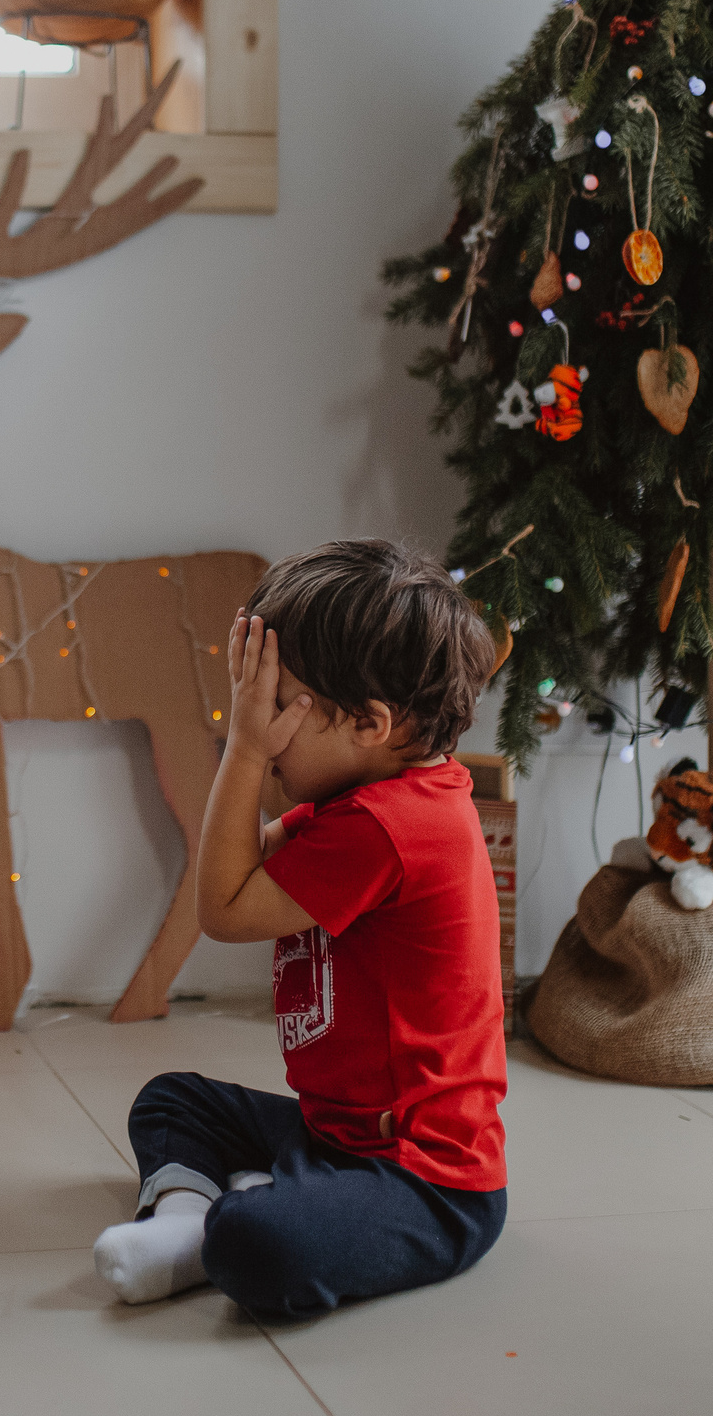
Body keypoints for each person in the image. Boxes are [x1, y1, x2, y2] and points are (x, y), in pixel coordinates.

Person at [90, 539, 508, 1316]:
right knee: (171, 1101)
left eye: (279, 705)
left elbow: (222, 908)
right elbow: (238, 870)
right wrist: (257, 737)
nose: (257, 721)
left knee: (261, 1246)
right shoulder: (361, 799)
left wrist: (245, 749)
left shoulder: (390, 826)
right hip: (334, 1137)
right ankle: (189, 1229)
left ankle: (230, 1217)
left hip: (426, 1180)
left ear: (371, 723)